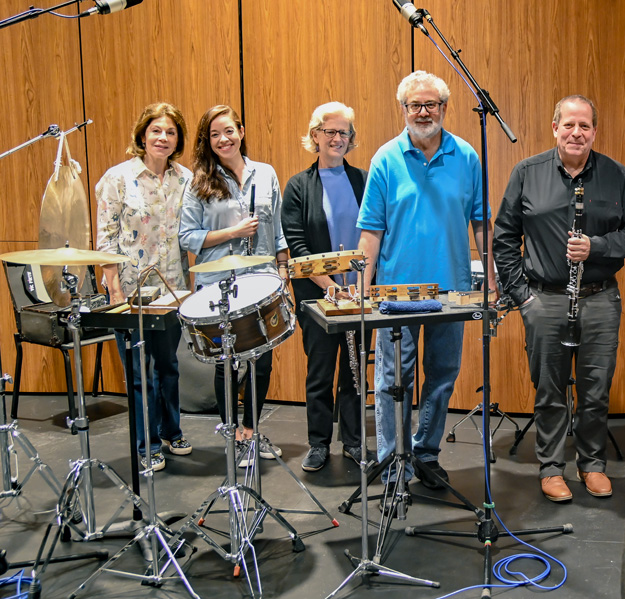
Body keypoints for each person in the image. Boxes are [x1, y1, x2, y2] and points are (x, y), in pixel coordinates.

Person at [494, 95, 625, 502]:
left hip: (599, 299)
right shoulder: (527, 172)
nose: (576, 133)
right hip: (544, 299)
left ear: (595, 131)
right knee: (549, 389)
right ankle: (550, 467)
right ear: (554, 128)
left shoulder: (616, 175)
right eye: (569, 125)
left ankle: (591, 464)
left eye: (585, 126)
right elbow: (505, 237)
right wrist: (521, 297)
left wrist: (596, 246)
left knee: (595, 388)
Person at [357, 71, 493, 490]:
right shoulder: (385, 158)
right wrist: (362, 291)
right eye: (414, 105)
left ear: (445, 109)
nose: (422, 112)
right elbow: (370, 231)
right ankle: (392, 460)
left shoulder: (467, 156)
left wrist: (489, 276)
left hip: (451, 290)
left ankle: (425, 452)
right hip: (395, 292)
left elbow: (481, 222)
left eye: (430, 104)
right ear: (403, 109)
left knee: (442, 376)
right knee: (392, 381)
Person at [180, 104, 289, 467]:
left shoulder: (266, 173)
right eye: (214, 134)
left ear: (241, 131)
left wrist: (284, 268)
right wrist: (232, 232)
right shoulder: (198, 182)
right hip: (218, 285)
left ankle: (251, 431)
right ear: (207, 142)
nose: (223, 139)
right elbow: (186, 237)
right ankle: (232, 436)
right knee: (226, 363)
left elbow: (277, 228)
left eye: (228, 130)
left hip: (261, 281)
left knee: (262, 363)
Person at [95, 102, 192, 472]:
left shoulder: (185, 178)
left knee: (168, 364)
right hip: (130, 290)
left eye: (170, 132)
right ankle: (146, 443)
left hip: (172, 288)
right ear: (142, 134)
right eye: (156, 131)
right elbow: (106, 238)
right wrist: (114, 290)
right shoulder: (117, 178)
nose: (163, 138)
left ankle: (172, 430)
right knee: (138, 370)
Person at [282, 102, 366, 472]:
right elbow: (297, 245)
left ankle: (353, 441)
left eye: (343, 132)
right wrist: (329, 285)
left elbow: (376, 232)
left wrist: (359, 285)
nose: (336, 138)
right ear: (315, 136)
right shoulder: (299, 186)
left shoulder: (363, 180)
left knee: (354, 370)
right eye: (329, 131)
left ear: (351, 139)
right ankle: (318, 443)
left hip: (360, 293)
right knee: (320, 370)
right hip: (317, 295)